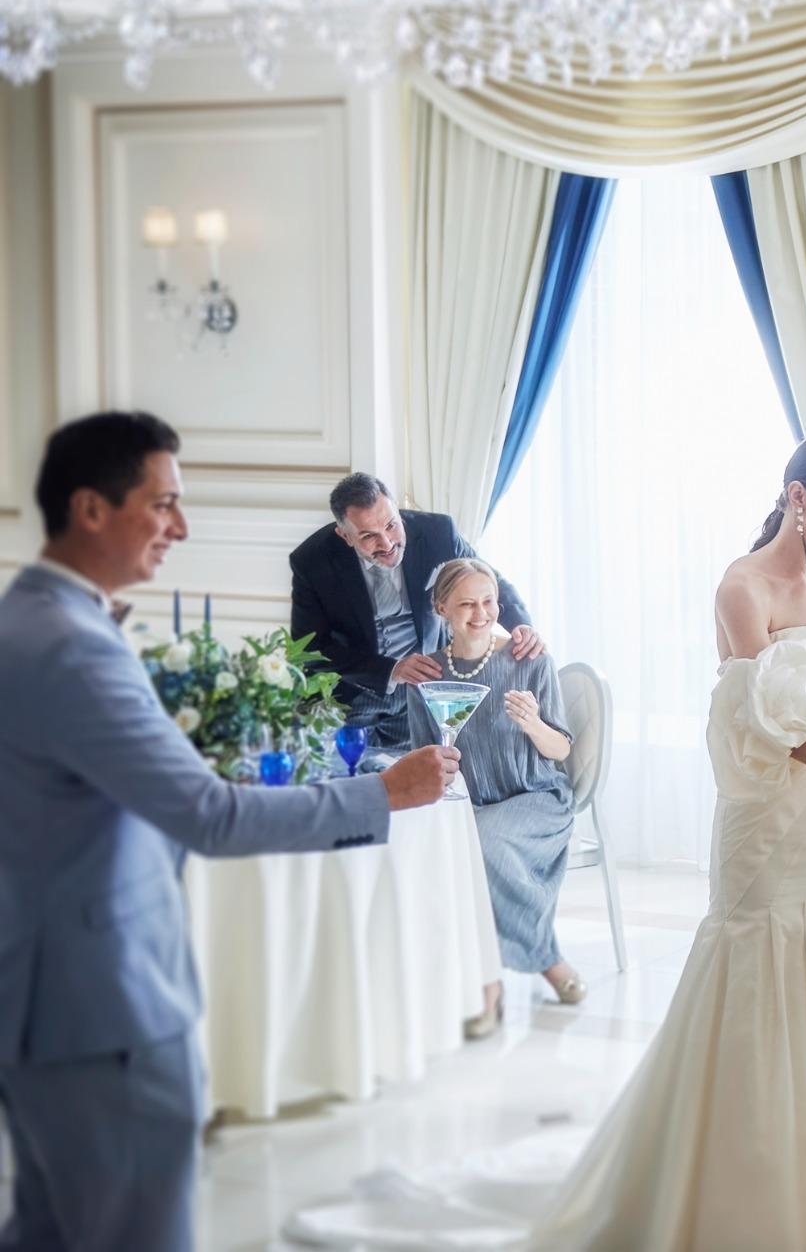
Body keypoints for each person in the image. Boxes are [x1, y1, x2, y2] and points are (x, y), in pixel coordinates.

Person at [287, 430, 806, 1249]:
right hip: (768, 817)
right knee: (755, 973)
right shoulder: (742, 588)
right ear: (797, 496)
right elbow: (784, 734)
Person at [0, 412, 457, 1252]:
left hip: (36, 1007)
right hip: (104, 1012)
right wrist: (381, 795)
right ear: (91, 509)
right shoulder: (72, 645)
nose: (180, 527)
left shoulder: (23, 619)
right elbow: (211, 815)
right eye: (163, 503)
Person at [426, 555, 583, 1025]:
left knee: (483, 844)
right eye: (466, 604)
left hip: (535, 797)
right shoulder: (428, 673)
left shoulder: (529, 658)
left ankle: (489, 985)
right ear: (441, 609)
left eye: (489, 601)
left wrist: (533, 723)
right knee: (441, 844)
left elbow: (560, 750)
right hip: (466, 804)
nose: (481, 613)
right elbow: (423, 753)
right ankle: (542, 960)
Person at [287, 472, 543, 752]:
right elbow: (308, 649)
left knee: (412, 771)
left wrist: (521, 626)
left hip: (423, 690)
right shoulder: (312, 561)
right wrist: (391, 670)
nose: (387, 544)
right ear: (345, 535)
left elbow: (488, 580)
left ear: (397, 510)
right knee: (343, 770)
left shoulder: (438, 533)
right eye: (369, 536)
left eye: (391, 525)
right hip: (351, 693)